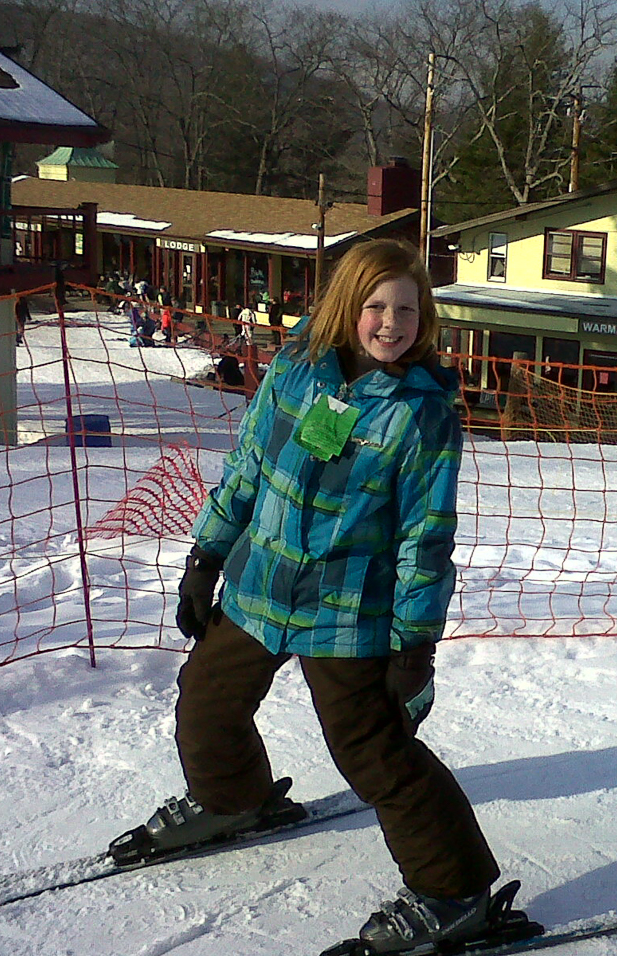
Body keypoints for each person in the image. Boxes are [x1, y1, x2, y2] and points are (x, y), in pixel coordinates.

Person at [111, 239, 515, 955]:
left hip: (349, 613)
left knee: (375, 753)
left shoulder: (421, 414)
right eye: (375, 307)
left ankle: (453, 892)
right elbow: (249, 466)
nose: (391, 324)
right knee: (206, 697)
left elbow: (426, 537)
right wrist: (206, 556)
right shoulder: (295, 372)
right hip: (260, 584)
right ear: (344, 308)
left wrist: (413, 645)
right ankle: (229, 799)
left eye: (407, 310)